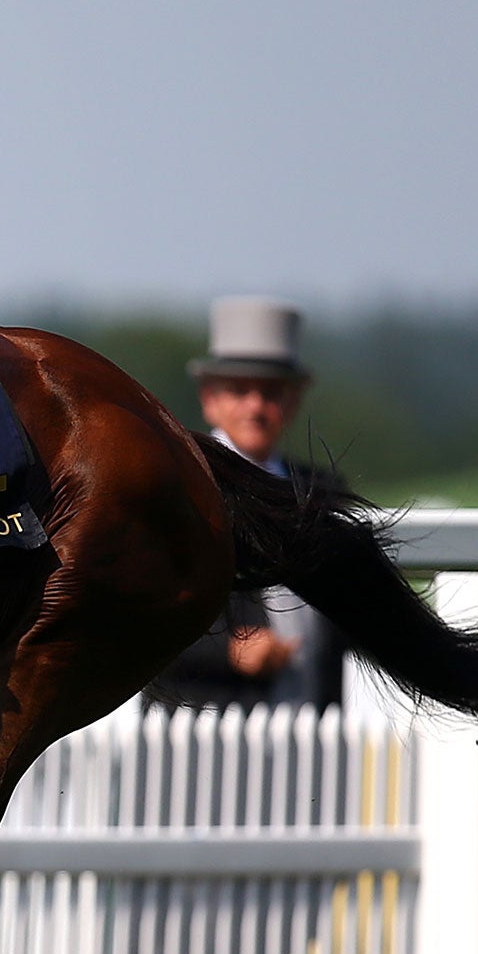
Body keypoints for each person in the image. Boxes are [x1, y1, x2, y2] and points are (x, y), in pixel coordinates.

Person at [146, 297, 348, 711]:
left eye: (270, 393)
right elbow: (140, 614)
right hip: (202, 726)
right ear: (210, 399)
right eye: (239, 391)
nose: (255, 407)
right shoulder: (177, 485)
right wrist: (227, 651)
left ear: (293, 401)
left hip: (313, 729)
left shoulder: (322, 490)